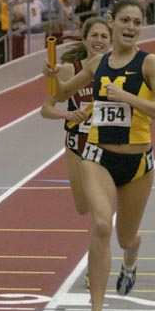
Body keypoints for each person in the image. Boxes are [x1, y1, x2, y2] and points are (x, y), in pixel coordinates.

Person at [44, 0, 155, 311]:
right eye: (125, 20)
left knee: (125, 236)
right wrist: (54, 77)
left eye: (137, 22)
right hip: (97, 155)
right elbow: (60, 95)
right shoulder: (97, 63)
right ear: (113, 23)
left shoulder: (150, 65)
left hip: (137, 163)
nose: (131, 27)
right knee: (101, 223)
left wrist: (127, 98)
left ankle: (131, 257)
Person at [40, 16, 111, 215]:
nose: (99, 40)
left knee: (103, 204)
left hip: (107, 141)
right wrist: (69, 114)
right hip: (77, 142)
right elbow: (46, 109)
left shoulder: (117, 69)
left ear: (111, 41)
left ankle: (103, 235)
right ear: (85, 39)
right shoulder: (70, 70)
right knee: (83, 208)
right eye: (94, 35)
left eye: (104, 36)